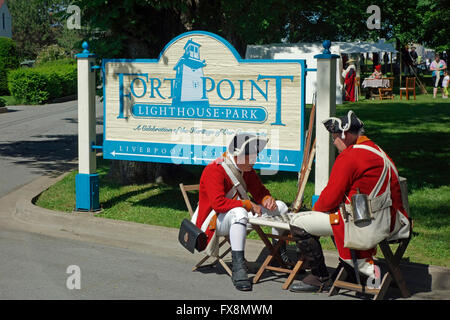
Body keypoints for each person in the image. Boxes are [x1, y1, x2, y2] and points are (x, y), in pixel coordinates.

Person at [288, 110, 411, 292]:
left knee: (298, 223)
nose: (333, 140)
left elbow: (327, 201)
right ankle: (349, 269)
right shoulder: (377, 150)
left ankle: (320, 276)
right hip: (393, 222)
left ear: (345, 135)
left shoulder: (349, 156)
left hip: (365, 225)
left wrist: (316, 210)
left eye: (335, 136)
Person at [193, 133, 289, 291]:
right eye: (251, 157)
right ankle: (238, 267)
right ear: (237, 156)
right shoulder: (214, 170)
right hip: (213, 221)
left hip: (235, 216)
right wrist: (247, 204)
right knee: (240, 211)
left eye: (254, 156)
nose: (254, 161)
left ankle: (277, 255)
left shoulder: (246, 168)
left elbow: (259, 191)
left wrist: (266, 199)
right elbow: (218, 204)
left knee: (281, 207)